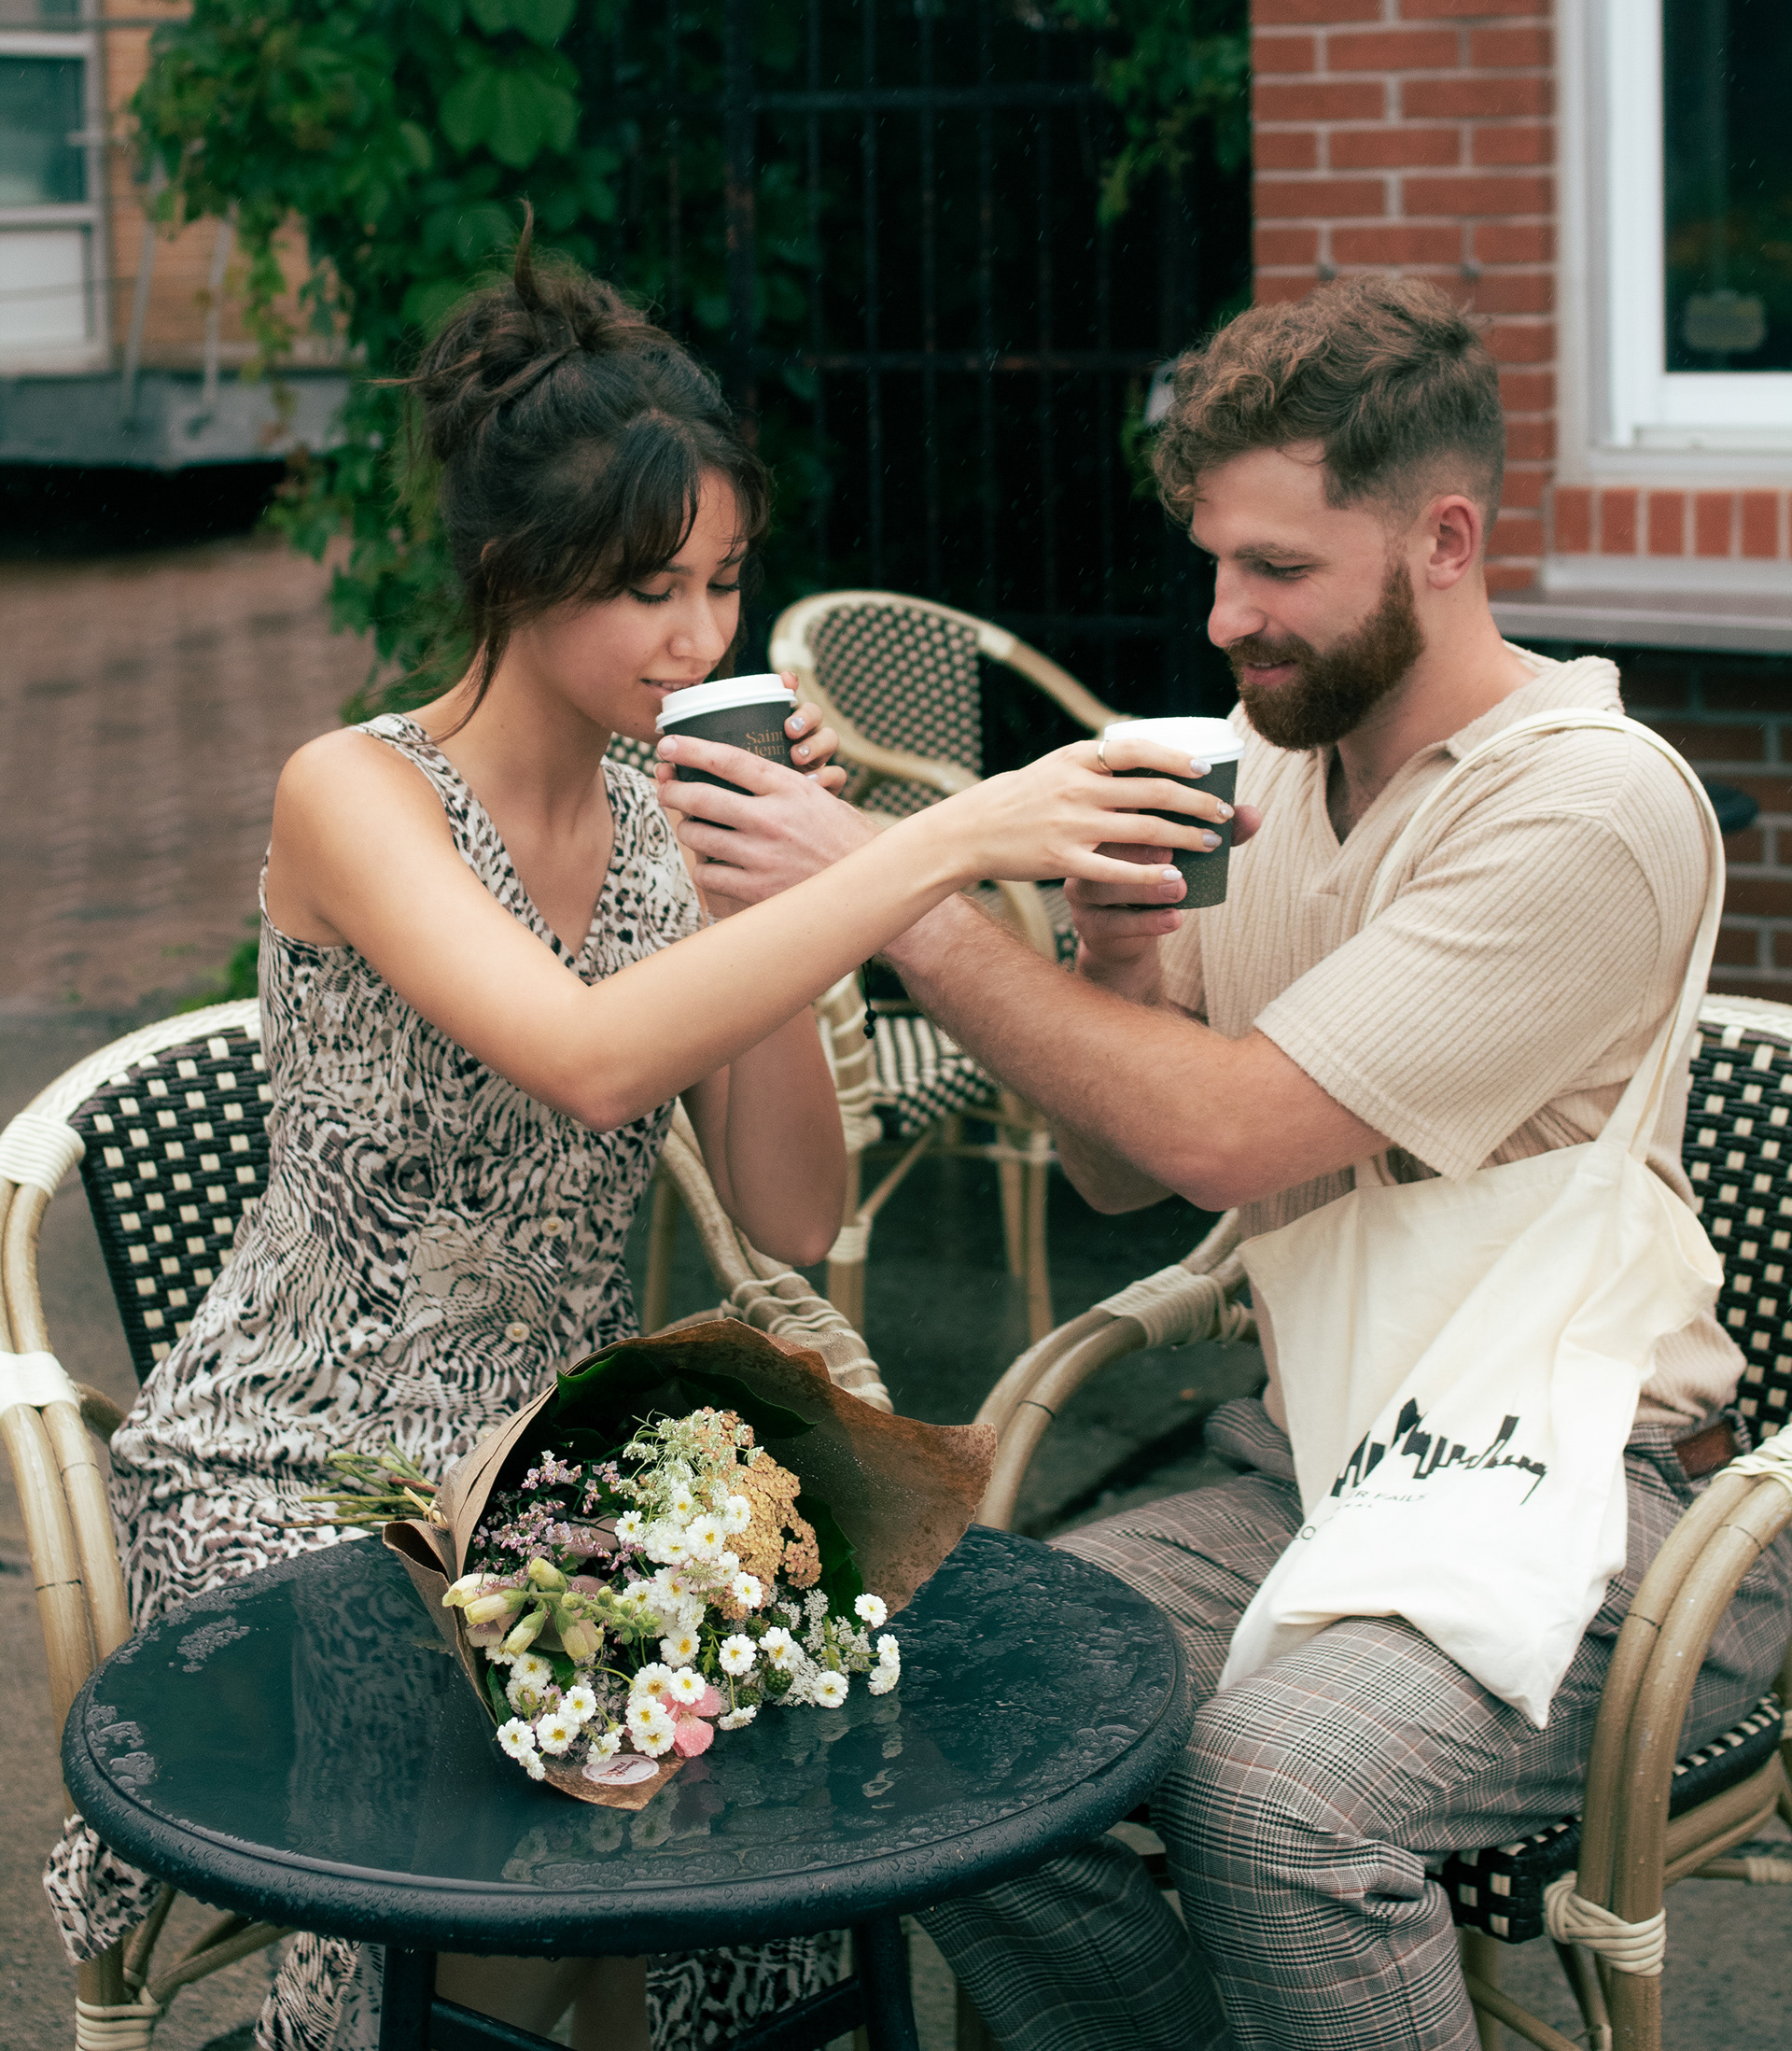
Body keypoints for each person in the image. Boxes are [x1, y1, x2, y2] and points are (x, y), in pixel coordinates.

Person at [44, 232, 1221, 2051]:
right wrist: (934, 845)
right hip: (302, 1463)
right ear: (519, 572)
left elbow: (793, 1212)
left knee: (773, 1770)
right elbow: (588, 1064)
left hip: (564, 1455)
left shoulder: (665, 818)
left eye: (724, 585)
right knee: (488, 1808)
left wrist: (779, 902)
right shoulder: (358, 793)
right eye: (650, 589)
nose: (701, 641)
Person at [657, 276, 1792, 2051]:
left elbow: (1226, 1128)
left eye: (1277, 568)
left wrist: (895, 902)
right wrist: (1118, 966)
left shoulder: (1589, 805)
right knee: (924, 1702)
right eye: (1214, 562)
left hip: (1597, 1497)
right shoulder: (1270, 758)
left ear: (1444, 541)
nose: (1224, 617)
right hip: (1322, 1459)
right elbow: (1136, 1185)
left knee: (1276, 1795)